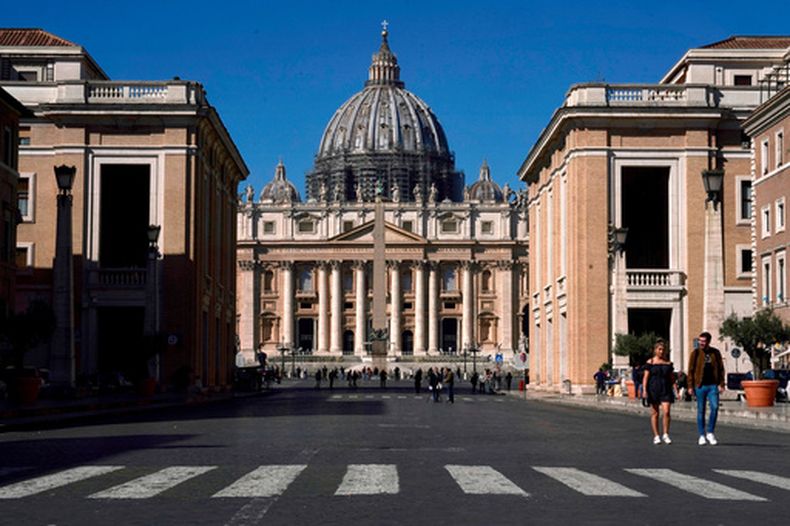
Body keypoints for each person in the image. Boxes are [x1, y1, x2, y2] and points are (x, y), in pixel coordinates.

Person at [687, 331, 725, 445]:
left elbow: (721, 369)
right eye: (700, 341)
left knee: (715, 407)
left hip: (713, 385)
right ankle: (701, 435)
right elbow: (690, 370)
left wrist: (721, 384)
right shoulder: (695, 353)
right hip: (700, 386)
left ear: (708, 341)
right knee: (701, 410)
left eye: (703, 341)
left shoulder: (715, 353)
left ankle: (710, 432)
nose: (701, 343)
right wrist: (690, 386)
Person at [642, 340, 675, 445]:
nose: (661, 351)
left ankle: (666, 434)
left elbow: (672, 378)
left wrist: (676, 390)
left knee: (666, 412)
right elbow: (645, 378)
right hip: (653, 389)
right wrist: (644, 390)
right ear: (655, 350)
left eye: (663, 349)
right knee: (655, 413)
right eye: (659, 349)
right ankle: (656, 436)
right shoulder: (650, 362)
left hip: (666, 389)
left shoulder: (668, 363)